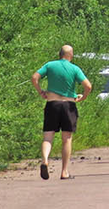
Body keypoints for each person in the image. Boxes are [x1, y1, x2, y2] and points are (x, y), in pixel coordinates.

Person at [31, 45, 92, 181]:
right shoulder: (75, 68)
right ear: (71, 55)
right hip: (68, 105)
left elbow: (34, 77)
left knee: (48, 137)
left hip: (52, 104)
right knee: (67, 138)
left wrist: (41, 91)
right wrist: (83, 97)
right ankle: (64, 172)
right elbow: (88, 86)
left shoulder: (50, 65)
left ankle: (45, 160)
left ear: (59, 54)